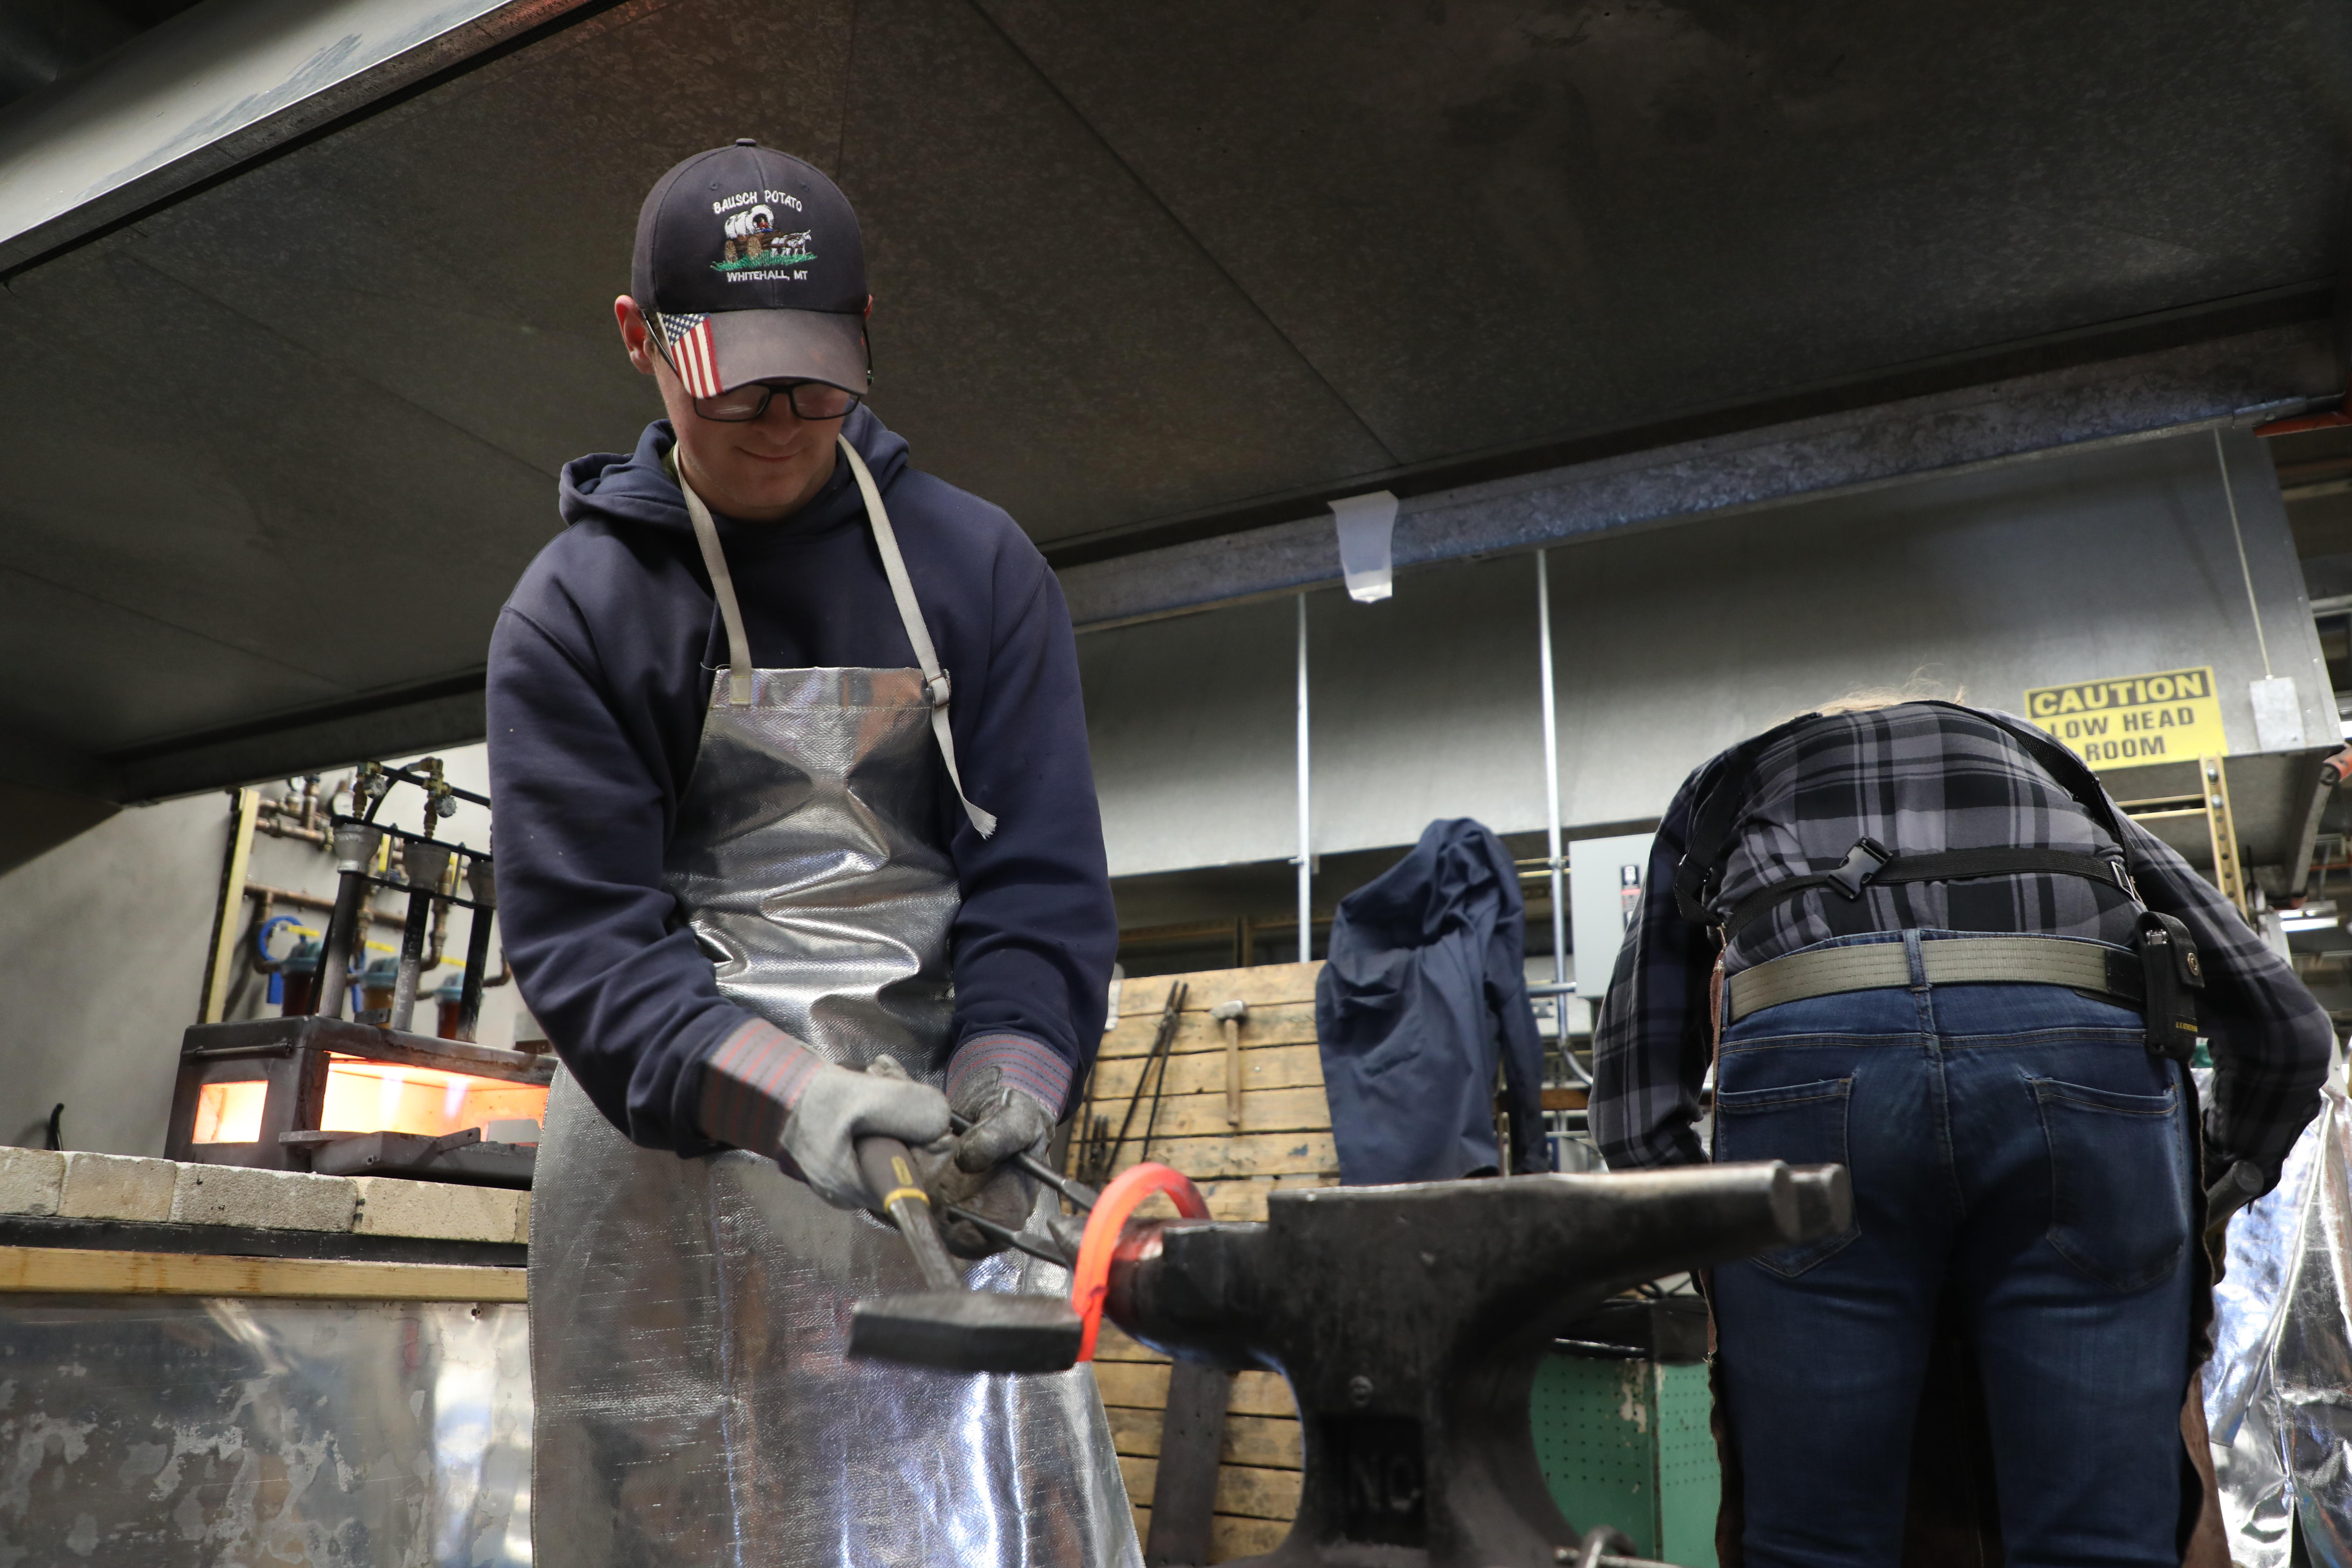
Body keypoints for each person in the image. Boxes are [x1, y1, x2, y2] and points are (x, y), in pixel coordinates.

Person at [486, 141, 1135, 1566]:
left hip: (937, 1177)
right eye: (735, 380)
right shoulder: (575, 614)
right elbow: (594, 955)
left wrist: (1011, 1080)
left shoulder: (978, 568)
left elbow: (1041, 883)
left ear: (867, 337)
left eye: (816, 378)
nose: (781, 419)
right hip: (667, 1181)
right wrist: (798, 1099)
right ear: (635, 340)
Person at [1590, 695, 2332, 1568]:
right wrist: (2195, 1197)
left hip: (1814, 1072)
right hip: (2080, 1066)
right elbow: (2288, 1031)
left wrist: (1742, 1253)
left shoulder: (1726, 790)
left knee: (1814, 1545)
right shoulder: (2053, 774)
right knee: (2101, 1545)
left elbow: (1635, 1118)